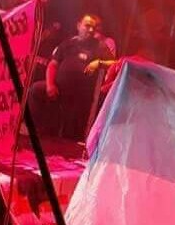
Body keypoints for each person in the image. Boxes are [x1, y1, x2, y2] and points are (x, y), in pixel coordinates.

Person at [27, 13, 112, 141]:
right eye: (87, 26)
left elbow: (115, 62)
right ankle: (35, 131)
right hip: (59, 89)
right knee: (36, 90)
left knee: (70, 137)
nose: (90, 30)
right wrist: (50, 85)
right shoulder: (68, 43)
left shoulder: (99, 46)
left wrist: (99, 63)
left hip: (80, 96)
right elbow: (53, 65)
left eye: (93, 28)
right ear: (78, 26)